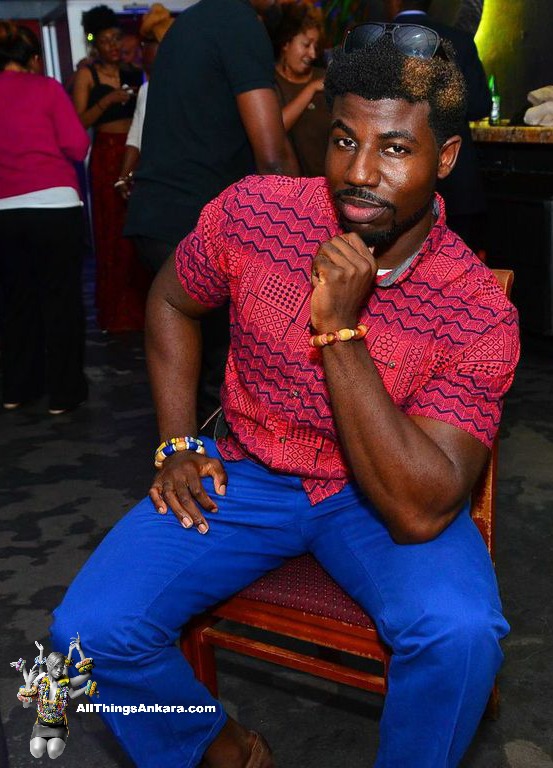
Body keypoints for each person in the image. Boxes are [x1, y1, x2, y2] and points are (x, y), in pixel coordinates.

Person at [51, 27, 520, 768]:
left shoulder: (474, 309)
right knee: (89, 632)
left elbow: (419, 509)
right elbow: (170, 300)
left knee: (459, 634)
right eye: (343, 141)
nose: (358, 172)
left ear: (446, 158)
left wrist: (340, 331)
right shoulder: (257, 213)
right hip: (246, 471)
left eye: (395, 148)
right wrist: (176, 442)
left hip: (378, 496)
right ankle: (223, 749)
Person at [125, 0, 299, 426]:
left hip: (159, 216)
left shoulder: (190, 23)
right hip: (197, 223)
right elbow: (273, 156)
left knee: (206, 375)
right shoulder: (239, 23)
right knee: (234, 381)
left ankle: (189, 456)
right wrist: (308, 226)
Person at [0, 21, 89, 414]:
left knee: (15, 302)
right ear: (35, 59)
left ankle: (18, 388)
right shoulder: (48, 88)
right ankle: (65, 394)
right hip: (54, 206)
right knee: (61, 301)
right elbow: (76, 145)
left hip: (5, 210)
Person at [72, 4, 150, 332]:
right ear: (95, 44)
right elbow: (78, 123)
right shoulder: (87, 75)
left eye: (116, 38)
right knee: (110, 232)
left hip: (134, 153)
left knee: (136, 232)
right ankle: (114, 313)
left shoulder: (135, 72)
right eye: (105, 40)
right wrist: (107, 100)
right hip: (105, 155)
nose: (113, 45)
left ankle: (142, 311)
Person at [393, 0, 491, 252]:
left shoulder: (374, 39)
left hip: (395, 178)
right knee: (458, 266)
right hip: (456, 182)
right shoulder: (458, 40)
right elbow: (480, 105)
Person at [115, 5, 175, 227]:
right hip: (155, 183)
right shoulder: (147, 89)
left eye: (146, 47)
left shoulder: (192, 86)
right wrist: (123, 177)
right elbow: (136, 136)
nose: (142, 54)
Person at [12, 635, 96, 759]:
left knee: (53, 753)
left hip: (59, 726)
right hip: (41, 725)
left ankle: (60, 738)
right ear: (49, 666)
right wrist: (29, 682)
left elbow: (87, 674)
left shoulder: (66, 682)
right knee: (36, 752)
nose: (59, 671)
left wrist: (79, 650)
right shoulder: (40, 681)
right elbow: (26, 705)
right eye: (56, 667)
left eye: (61, 667)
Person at [271, 2, 331, 176]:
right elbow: (274, 129)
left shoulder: (325, 77)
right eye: (306, 45)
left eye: (315, 46)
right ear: (286, 43)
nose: (312, 54)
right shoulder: (269, 83)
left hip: (327, 184)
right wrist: (310, 89)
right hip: (290, 186)